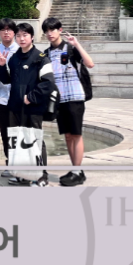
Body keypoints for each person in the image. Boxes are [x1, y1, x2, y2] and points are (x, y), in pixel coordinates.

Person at [0, 22, 56, 187]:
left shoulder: (40, 58)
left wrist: (31, 97)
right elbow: (7, 80)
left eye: (25, 35)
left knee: (34, 141)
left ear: (32, 37)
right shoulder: (14, 58)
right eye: (19, 36)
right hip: (14, 106)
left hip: (33, 107)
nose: (21, 39)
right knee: (17, 141)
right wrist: (2, 66)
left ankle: (41, 177)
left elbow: (49, 82)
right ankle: (22, 175)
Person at [41, 17, 95, 187]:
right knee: (68, 135)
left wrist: (77, 44)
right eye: (47, 31)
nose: (50, 33)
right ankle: (75, 170)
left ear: (60, 30)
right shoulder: (46, 54)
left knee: (76, 134)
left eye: (52, 30)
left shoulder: (71, 48)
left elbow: (90, 64)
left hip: (74, 97)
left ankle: (77, 171)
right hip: (59, 100)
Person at [0, 18, 19, 178]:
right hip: (1, 98)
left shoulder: (21, 49)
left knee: (19, 133)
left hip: (20, 98)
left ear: (14, 32)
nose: (6, 32)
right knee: (5, 133)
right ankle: (10, 163)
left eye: (9, 29)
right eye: (3, 29)